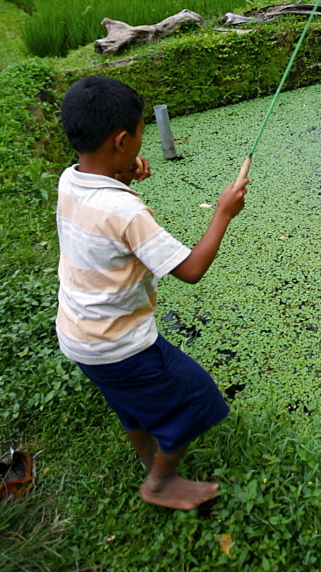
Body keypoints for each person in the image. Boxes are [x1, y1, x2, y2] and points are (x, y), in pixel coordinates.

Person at [56, 76, 248, 510]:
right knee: (198, 399)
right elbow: (192, 269)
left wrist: (122, 173)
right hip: (119, 341)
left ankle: (147, 457)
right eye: (140, 133)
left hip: (78, 332)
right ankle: (159, 484)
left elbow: (102, 208)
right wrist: (223, 211)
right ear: (122, 140)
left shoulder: (71, 179)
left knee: (128, 399)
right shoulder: (126, 211)